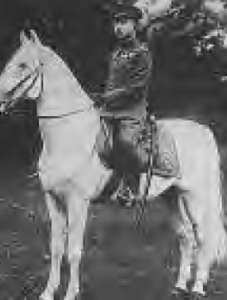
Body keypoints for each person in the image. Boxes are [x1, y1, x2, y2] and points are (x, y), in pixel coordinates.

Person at [98, 2, 154, 205]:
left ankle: (130, 189)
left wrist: (109, 97)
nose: (118, 27)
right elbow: (111, 82)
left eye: (123, 22)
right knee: (96, 142)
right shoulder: (115, 53)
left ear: (134, 25)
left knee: (126, 142)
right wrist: (102, 98)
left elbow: (137, 88)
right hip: (109, 109)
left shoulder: (142, 53)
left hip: (132, 110)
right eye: (115, 23)